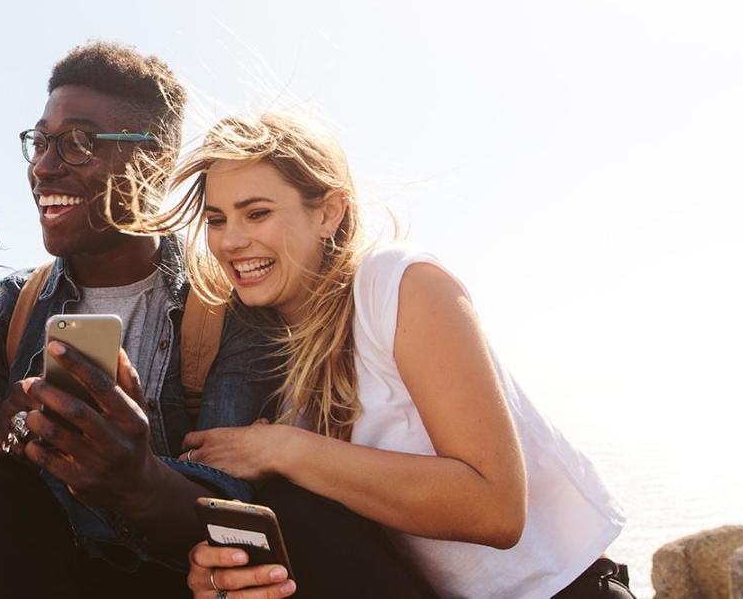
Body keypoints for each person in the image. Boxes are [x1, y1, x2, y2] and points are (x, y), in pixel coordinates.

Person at [161, 113, 631, 598]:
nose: (230, 241)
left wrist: (284, 449)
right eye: (216, 220)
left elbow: (496, 510)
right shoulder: (265, 354)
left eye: (257, 213)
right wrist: (229, 574)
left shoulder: (398, 282)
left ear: (328, 213)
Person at [0, 42, 303, 599]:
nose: (44, 167)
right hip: (44, 577)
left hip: (177, 580)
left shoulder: (232, 308)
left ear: (155, 161)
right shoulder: (5, 309)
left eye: (79, 142)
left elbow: (236, 513)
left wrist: (138, 481)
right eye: (40, 142)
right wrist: (7, 444)